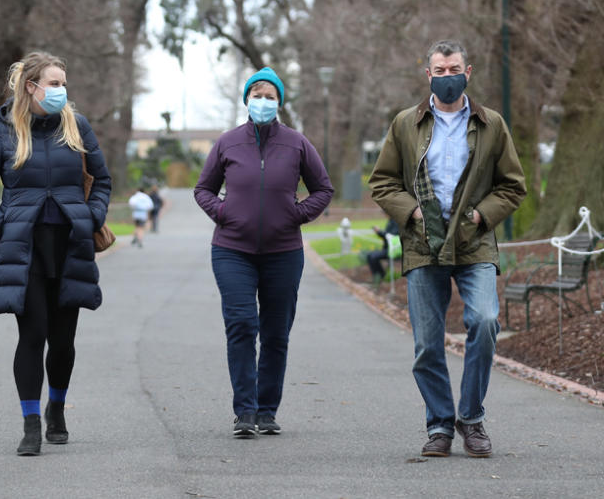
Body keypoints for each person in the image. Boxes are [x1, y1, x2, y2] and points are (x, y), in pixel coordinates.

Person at [369, 40, 526, 458]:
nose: (447, 76)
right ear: (429, 75)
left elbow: (513, 185)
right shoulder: (406, 124)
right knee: (427, 344)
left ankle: (471, 419)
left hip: (474, 243)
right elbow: (382, 182)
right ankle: (439, 425)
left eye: (453, 68)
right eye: (439, 70)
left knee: (486, 320)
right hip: (423, 245)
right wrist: (414, 214)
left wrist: (479, 216)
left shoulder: (492, 123)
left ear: (468, 72)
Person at [0, 51, 111, 456]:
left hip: (70, 247)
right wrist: (3, 225)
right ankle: (30, 423)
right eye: (53, 83)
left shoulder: (76, 126)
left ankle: (57, 409)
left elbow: (101, 180)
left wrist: (91, 214)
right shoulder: (3, 132)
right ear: (30, 86)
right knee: (32, 335)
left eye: (63, 83)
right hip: (25, 250)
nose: (61, 91)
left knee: (63, 341)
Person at [194, 67, 333, 437]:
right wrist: (223, 213)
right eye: (257, 94)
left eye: (270, 96)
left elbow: (323, 188)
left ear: (280, 102)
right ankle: (245, 411)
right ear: (246, 100)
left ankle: (267, 410)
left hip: (284, 252)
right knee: (241, 325)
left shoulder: (297, 143)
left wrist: (297, 214)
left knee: (275, 332)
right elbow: (203, 189)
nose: (263, 101)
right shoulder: (227, 143)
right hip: (231, 250)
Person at [366, 217, 400, 286]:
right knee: (369, 255)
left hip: (393, 249)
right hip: (387, 248)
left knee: (373, 256)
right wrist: (379, 232)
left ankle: (381, 275)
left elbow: (391, 236)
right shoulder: (391, 220)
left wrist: (379, 231)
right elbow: (386, 235)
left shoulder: (395, 221)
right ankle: (377, 276)